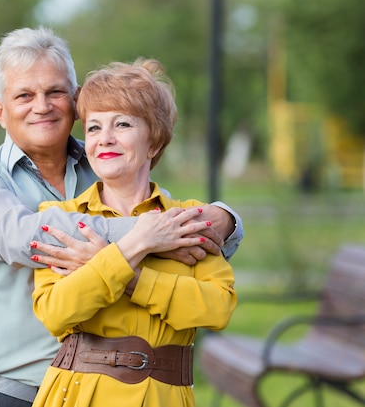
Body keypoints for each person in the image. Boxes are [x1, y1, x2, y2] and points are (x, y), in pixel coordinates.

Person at [0, 27, 243, 407]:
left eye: (55, 92)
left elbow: (191, 245)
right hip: (14, 390)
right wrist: (147, 238)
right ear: (0, 110)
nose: (42, 106)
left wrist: (226, 218)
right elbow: (31, 238)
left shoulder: (110, 161)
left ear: (75, 100)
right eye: (24, 95)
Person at [31, 58, 237, 407]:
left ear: (154, 141)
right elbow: (55, 313)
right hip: (78, 395)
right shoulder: (61, 218)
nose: (104, 139)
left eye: (122, 124)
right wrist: (138, 243)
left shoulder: (186, 220)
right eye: (94, 128)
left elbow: (217, 309)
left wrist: (128, 276)